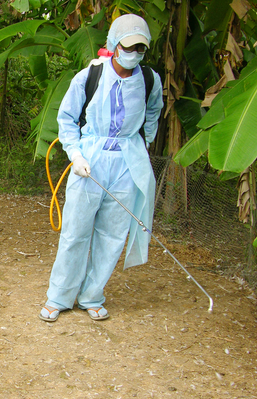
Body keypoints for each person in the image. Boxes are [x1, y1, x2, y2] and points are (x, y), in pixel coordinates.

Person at [39, 13, 164, 322]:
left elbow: (153, 114)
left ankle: (92, 295)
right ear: (113, 43)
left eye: (140, 49)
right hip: (90, 158)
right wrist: (75, 154)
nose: (134, 53)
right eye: (129, 46)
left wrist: (140, 146)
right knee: (75, 231)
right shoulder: (89, 76)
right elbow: (67, 119)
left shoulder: (150, 80)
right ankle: (59, 296)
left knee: (112, 234)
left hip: (127, 161)